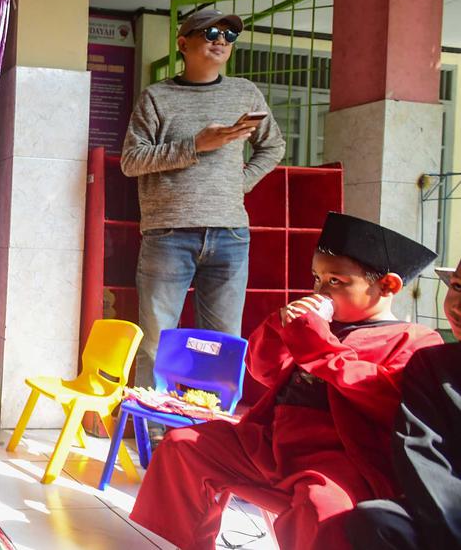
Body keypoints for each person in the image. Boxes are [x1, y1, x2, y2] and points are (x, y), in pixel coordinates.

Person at [128, 212, 444, 550]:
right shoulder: (322, 327)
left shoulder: (415, 340)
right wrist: (279, 328)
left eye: (335, 281)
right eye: (316, 279)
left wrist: (320, 345)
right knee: (183, 446)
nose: (321, 291)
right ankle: (191, 543)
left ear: (388, 285)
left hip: (337, 460)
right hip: (268, 443)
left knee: (323, 508)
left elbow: (386, 400)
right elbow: (264, 372)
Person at [120, 9, 285, 391]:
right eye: (210, 32)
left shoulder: (244, 92)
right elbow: (131, 161)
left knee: (223, 342)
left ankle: (206, 430)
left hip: (230, 232)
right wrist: (196, 145)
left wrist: (239, 182)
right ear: (183, 43)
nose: (220, 40)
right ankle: (155, 428)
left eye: (229, 36)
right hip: (168, 233)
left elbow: (272, 146)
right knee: (157, 341)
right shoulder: (156, 97)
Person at [345, 264, 461, 548]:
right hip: (453, 516)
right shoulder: (433, 366)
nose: (457, 307)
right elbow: (423, 453)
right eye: (457, 287)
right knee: (378, 522)